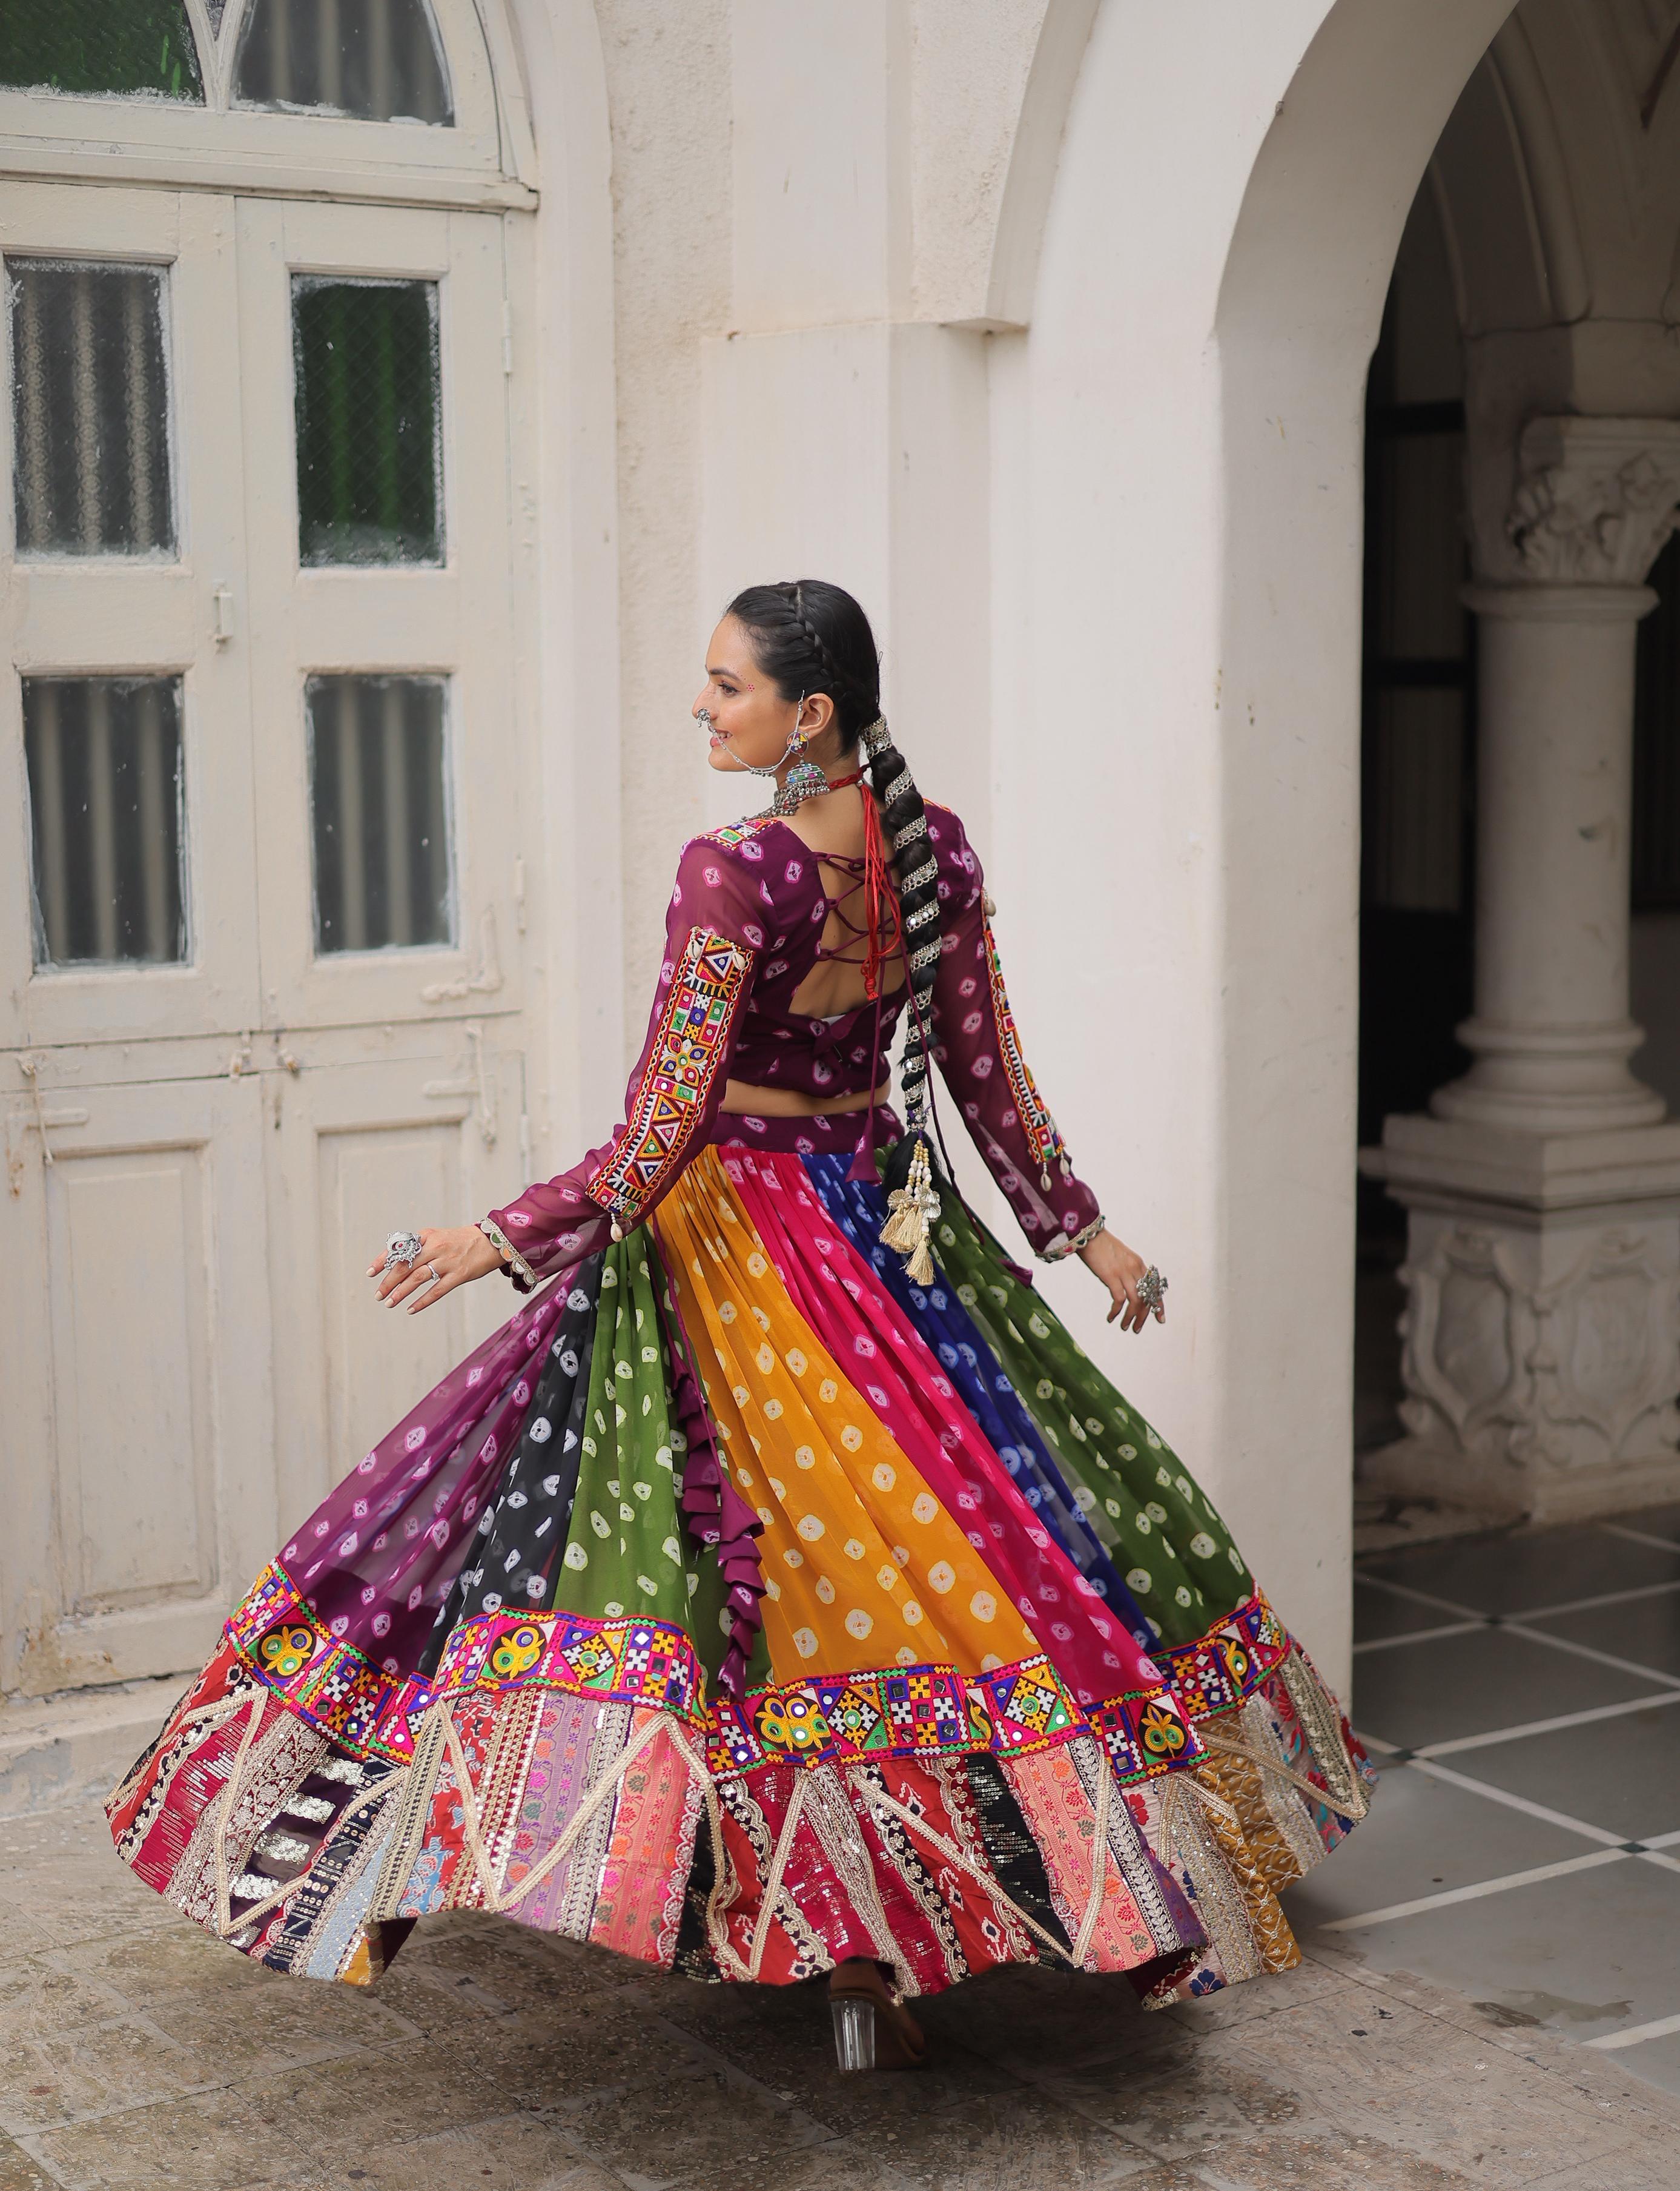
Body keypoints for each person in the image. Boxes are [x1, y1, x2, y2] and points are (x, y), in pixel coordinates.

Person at [108, 580, 1370, 2071]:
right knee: (935, 1565)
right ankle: (893, 1939)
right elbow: (989, 1075)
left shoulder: (736, 872)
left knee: (755, 1591)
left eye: (724, 687)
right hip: (888, 1242)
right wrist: (1073, 1228)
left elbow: (664, 1127)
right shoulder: (930, 846)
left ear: (808, 713)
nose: (703, 710)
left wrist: (496, 1238)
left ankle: (832, 1930)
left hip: (740, 1251)